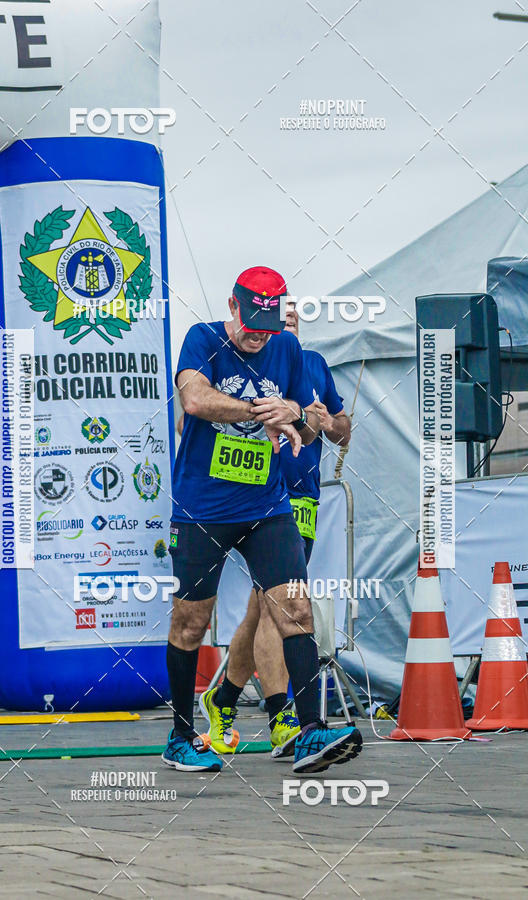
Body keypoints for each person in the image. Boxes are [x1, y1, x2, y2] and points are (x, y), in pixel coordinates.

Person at [162, 265, 362, 773]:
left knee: (295, 608)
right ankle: (182, 735)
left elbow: (319, 424)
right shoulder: (202, 338)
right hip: (203, 508)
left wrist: (296, 416)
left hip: (267, 507)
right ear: (232, 307)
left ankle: (310, 731)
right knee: (190, 623)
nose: (257, 335)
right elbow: (194, 398)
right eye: (250, 322)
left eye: (266, 326)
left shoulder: (289, 349)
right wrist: (258, 411)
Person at [232, 299, 351, 757]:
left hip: (303, 499)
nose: (279, 328)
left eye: (288, 322)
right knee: (275, 603)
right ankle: (284, 716)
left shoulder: (314, 365)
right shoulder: (243, 366)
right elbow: (191, 421)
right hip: (256, 496)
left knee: (268, 603)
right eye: (270, 322)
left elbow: (343, 429)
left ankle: (225, 698)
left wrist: (324, 417)